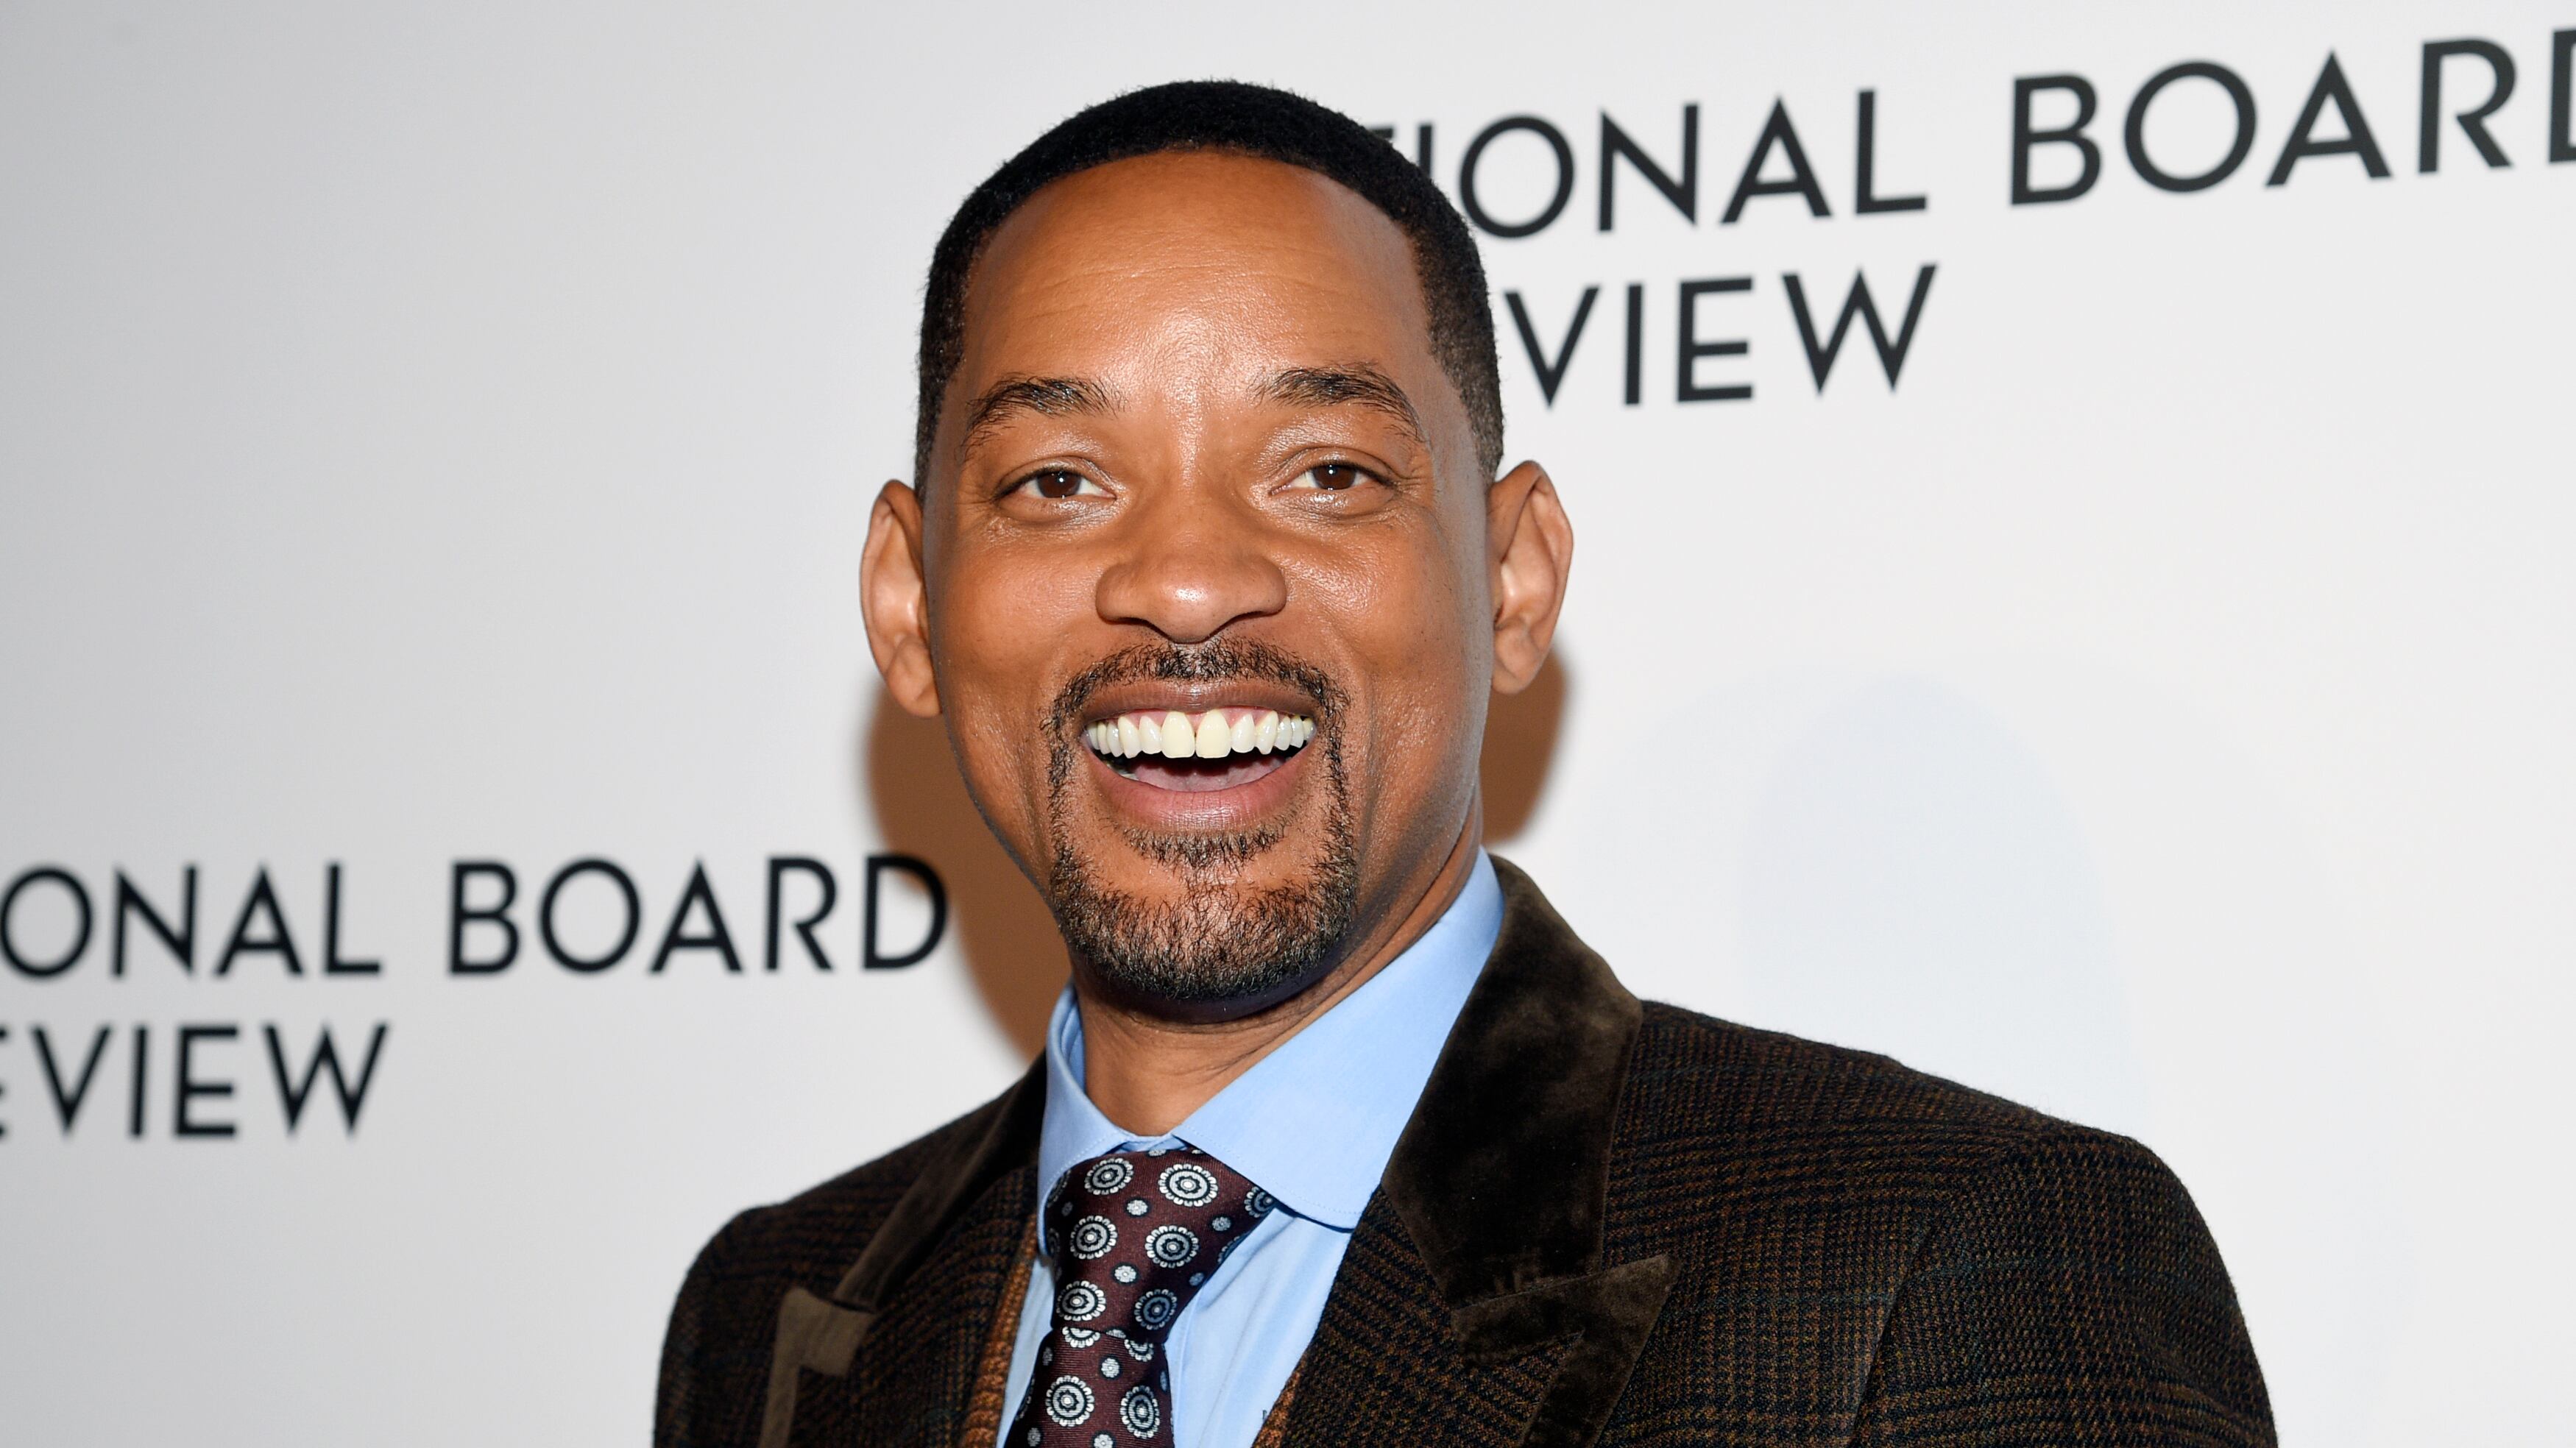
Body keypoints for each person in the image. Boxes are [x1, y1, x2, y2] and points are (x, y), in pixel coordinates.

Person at [655, 81, 2273, 1448]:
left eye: (1327, 472)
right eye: (1059, 481)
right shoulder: (769, 1314)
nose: (1189, 580)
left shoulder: (1946, 1260)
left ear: (1511, 581)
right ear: (908, 604)